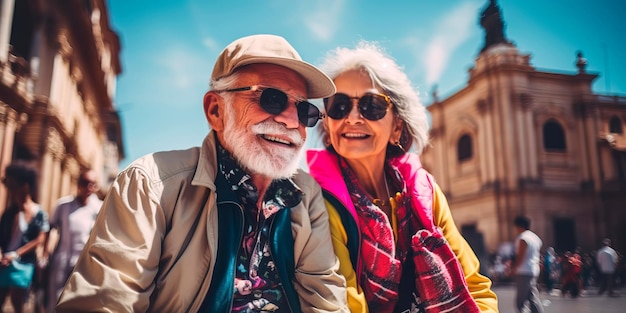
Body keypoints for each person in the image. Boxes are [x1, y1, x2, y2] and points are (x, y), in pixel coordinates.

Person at [55, 34, 348, 312]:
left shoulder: (305, 192)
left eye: (304, 110)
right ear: (215, 111)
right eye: (271, 99)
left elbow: (325, 296)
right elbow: (107, 300)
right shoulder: (150, 184)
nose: (290, 120)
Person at [307, 41, 498, 313]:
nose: (352, 118)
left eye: (371, 106)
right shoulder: (316, 200)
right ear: (328, 123)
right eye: (339, 106)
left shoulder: (425, 192)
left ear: (397, 126)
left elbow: (474, 287)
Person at [42, 169, 102, 312]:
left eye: (92, 184)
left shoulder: (99, 207)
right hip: (62, 261)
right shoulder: (63, 205)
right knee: (55, 301)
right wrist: (44, 255)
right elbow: (50, 228)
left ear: (96, 186)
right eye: (85, 183)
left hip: (86, 264)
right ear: (78, 183)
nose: (88, 187)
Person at [0, 161, 50, 313]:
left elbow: (40, 239)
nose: (10, 189)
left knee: (17, 302)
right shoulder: (9, 213)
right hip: (4, 263)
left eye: (13, 185)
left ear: (25, 186)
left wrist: (15, 255)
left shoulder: (39, 213)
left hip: (23, 264)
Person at [511, 215, 543, 313]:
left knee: (520, 302)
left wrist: (514, 268)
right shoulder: (535, 238)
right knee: (532, 298)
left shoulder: (523, 238)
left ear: (519, 226)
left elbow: (521, 256)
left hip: (523, 271)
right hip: (533, 269)